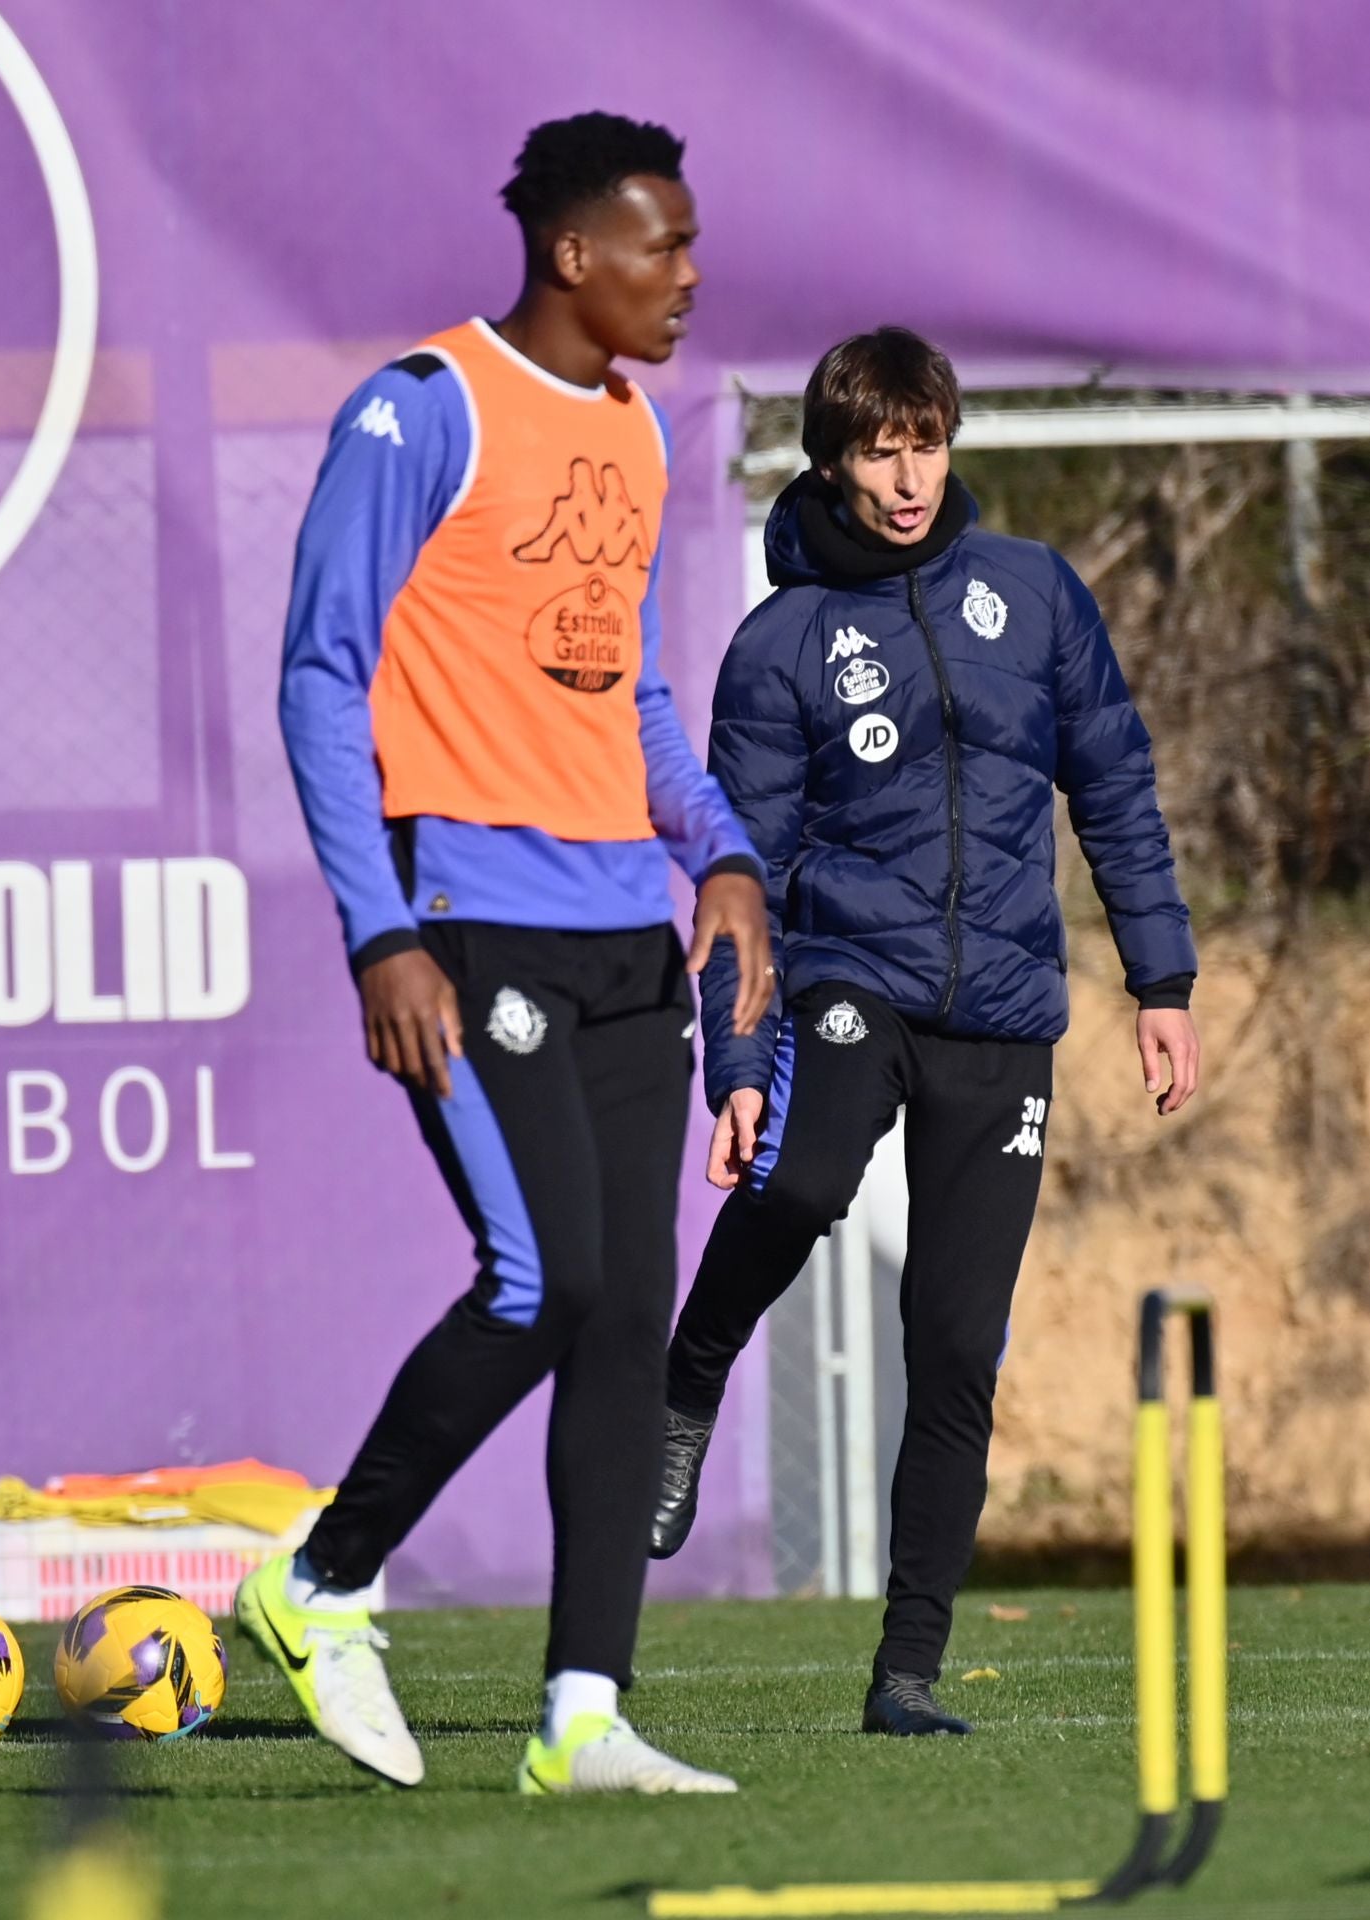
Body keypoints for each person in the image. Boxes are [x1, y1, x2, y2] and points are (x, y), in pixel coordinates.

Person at [236, 112, 771, 1795]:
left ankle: (582, 1720)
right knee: (542, 1281)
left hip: (626, 933)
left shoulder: (637, 433)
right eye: (660, 247)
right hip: (468, 923)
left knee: (625, 1320)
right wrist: (378, 929)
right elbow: (322, 674)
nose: (686, 277)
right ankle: (317, 1582)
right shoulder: (422, 407)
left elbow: (639, 701)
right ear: (571, 254)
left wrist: (726, 852)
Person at [649, 327, 1199, 1737]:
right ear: (832, 462)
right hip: (848, 981)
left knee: (954, 1342)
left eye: (926, 442)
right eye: (878, 449)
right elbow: (741, 878)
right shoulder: (777, 647)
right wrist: (736, 1066)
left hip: (1004, 1016)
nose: (906, 477)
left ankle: (905, 1679)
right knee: (810, 1181)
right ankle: (693, 1372)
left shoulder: (1033, 593)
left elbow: (1117, 794)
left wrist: (1161, 984)